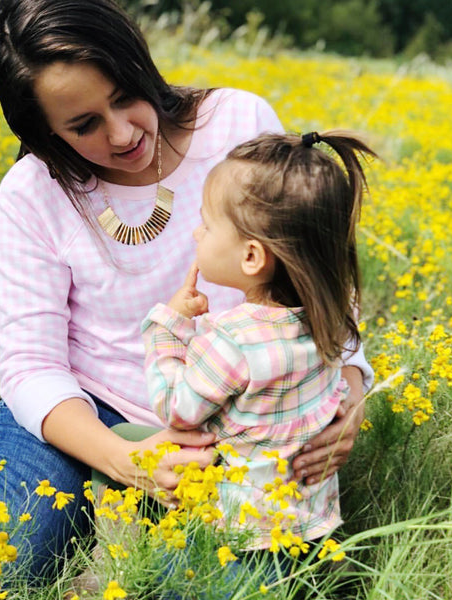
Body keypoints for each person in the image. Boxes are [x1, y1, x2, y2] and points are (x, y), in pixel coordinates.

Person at [0, 0, 373, 582]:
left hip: (235, 424)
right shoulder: (31, 194)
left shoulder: (236, 122)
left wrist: (348, 394)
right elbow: (32, 365)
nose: (124, 132)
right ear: (44, 133)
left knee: (238, 583)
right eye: (84, 126)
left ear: (139, 63)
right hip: (87, 408)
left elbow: (314, 265)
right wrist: (123, 460)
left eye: (126, 94)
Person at [142, 131, 376, 556]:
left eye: (208, 225)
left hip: (237, 536)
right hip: (308, 523)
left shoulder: (232, 340)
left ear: (252, 257)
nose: (197, 234)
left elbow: (177, 409)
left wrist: (168, 330)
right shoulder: (331, 318)